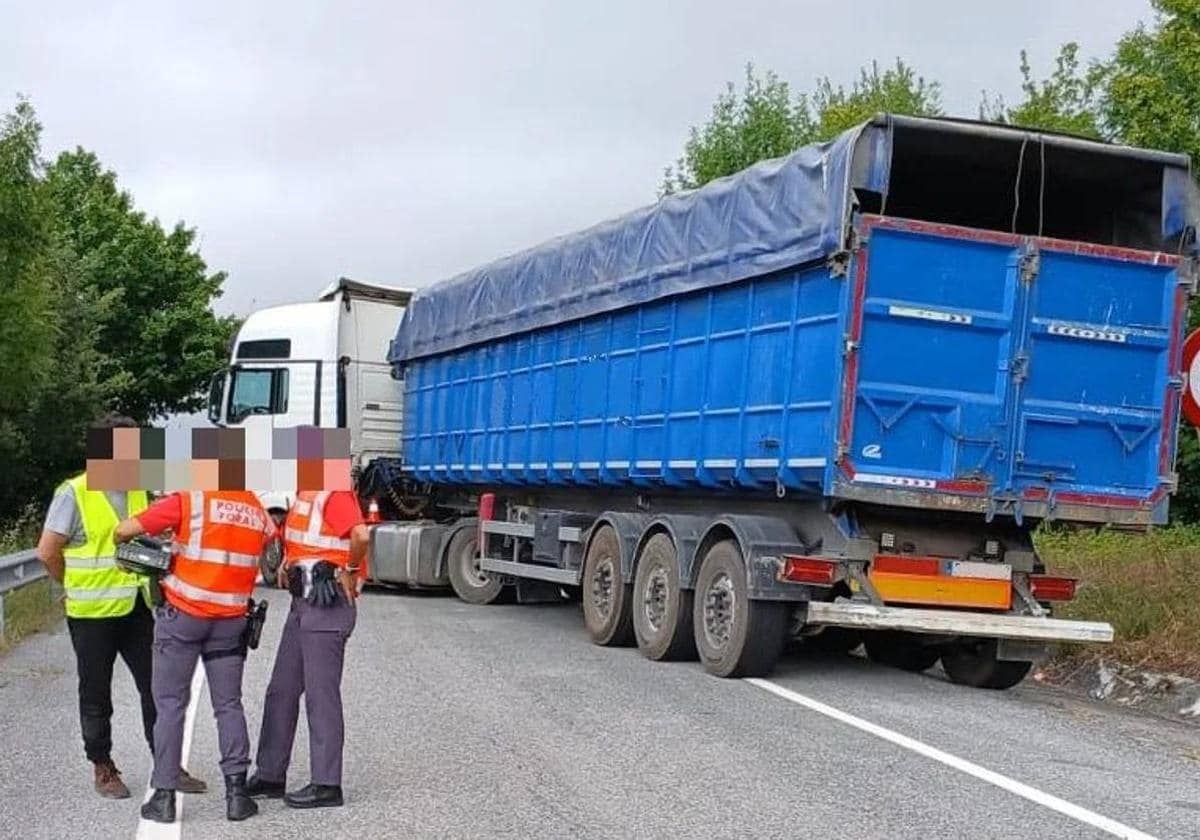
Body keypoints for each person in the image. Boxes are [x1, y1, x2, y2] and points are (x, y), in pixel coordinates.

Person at [34, 415, 206, 799]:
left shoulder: (136, 491)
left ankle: (167, 764)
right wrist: (71, 583)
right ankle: (103, 766)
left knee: (157, 688)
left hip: (136, 608)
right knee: (96, 693)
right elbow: (48, 552)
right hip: (91, 614)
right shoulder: (73, 492)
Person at [114, 489, 275, 824]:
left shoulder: (190, 500)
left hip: (183, 618)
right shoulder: (255, 508)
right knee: (229, 705)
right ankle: (237, 796)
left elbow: (124, 531)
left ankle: (164, 796)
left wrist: (166, 541)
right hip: (230, 619)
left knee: (170, 705)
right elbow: (272, 545)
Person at [245, 490, 369, 809]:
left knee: (321, 696)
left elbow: (360, 535)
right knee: (281, 690)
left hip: (327, 605)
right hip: (303, 603)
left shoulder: (334, 492)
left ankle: (327, 784)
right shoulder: (305, 494)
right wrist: (289, 559)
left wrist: (350, 570)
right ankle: (271, 774)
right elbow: (306, 539)